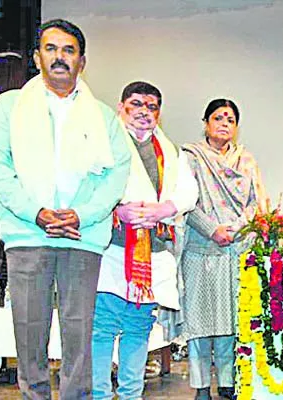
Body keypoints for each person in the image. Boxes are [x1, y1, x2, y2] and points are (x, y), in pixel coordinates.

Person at [0, 19, 131, 398]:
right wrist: (35, 212)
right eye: (51, 49)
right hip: (26, 234)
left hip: (81, 237)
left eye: (68, 51)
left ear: (82, 62)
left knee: (78, 331)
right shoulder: (9, 107)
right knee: (28, 329)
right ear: (37, 57)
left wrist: (82, 214)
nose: (59, 57)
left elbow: (117, 174)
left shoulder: (103, 117)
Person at [91, 82, 198, 400]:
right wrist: (118, 209)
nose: (143, 112)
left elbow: (187, 191)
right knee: (104, 326)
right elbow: (91, 184)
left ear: (158, 114)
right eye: (136, 104)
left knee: (138, 327)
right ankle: (98, 395)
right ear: (121, 106)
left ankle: (130, 395)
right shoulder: (105, 143)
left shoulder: (169, 150)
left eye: (151, 107)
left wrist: (164, 209)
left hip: (154, 251)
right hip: (112, 249)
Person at [180, 99, 266, 400]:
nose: (224, 124)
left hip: (236, 249)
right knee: (200, 323)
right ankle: (201, 386)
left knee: (232, 322)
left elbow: (258, 204)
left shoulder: (247, 161)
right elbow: (184, 202)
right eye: (218, 118)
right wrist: (212, 230)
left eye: (230, 119)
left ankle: (228, 383)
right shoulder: (190, 158)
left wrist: (237, 229)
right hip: (200, 249)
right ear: (206, 123)